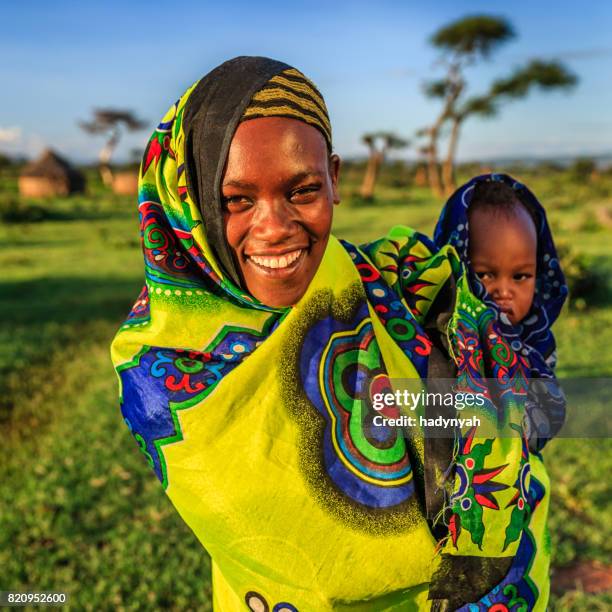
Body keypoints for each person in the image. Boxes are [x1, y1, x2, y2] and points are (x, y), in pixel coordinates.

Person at [111, 58, 553, 610]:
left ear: (335, 179)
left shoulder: (396, 282)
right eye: (237, 200)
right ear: (190, 201)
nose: (275, 226)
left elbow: (527, 411)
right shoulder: (161, 368)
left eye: (302, 191)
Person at [434, 174, 568, 452]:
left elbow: (542, 422)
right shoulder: (438, 339)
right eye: (484, 274)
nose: (503, 291)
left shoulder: (537, 345)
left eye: (520, 276)